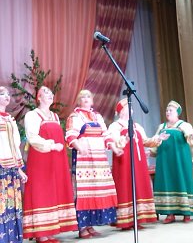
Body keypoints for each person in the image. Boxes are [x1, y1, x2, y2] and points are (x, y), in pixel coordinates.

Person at [23, 86, 78, 243]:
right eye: (46, 93)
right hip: (41, 159)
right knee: (42, 190)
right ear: (39, 97)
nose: (50, 95)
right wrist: (51, 145)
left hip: (56, 160)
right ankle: (41, 233)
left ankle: (50, 230)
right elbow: (32, 137)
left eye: (51, 93)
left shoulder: (54, 116)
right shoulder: (33, 115)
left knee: (54, 191)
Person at [65, 90, 122, 238]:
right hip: (85, 158)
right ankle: (82, 227)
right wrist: (79, 147)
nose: (85, 99)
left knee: (97, 189)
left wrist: (115, 148)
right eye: (82, 97)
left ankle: (90, 224)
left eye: (88, 96)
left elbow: (106, 135)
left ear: (92, 101)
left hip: (98, 158)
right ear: (79, 101)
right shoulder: (75, 116)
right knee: (84, 190)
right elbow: (70, 134)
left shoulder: (97, 116)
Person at [108, 98, 165, 230]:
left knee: (138, 185)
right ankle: (125, 220)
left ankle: (137, 218)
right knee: (125, 185)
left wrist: (158, 139)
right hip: (124, 161)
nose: (131, 110)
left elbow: (145, 141)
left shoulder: (137, 126)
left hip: (138, 162)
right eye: (128, 107)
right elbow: (114, 142)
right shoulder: (115, 126)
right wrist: (124, 139)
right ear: (121, 111)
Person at [152, 100, 193, 224]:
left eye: (170, 110)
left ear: (177, 113)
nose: (168, 112)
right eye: (167, 110)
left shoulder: (184, 125)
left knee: (182, 181)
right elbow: (155, 141)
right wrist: (151, 151)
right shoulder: (161, 127)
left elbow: (191, 139)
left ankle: (186, 213)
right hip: (164, 161)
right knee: (167, 183)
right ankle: (169, 214)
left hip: (180, 160)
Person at [0, 86, 28, 243]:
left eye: (8, 94)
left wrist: (19, 168)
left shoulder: (10, 119)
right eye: (2, 94)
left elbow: (15, 144)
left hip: (11, 166)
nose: (6, 96)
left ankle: (11, 237)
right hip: (1, 165)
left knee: (11, 201)